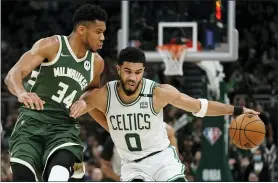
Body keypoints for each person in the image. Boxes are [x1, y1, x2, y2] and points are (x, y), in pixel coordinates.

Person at [70, 47, 259, 181]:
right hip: (132, 166)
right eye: (127, 71)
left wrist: (237, 110)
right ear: (118, 70)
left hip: (162, 160)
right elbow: (82, 105)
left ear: (143, 71)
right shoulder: (104, 95)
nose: (133, 78)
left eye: (138, 72)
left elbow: (199, 106)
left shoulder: (158, 93)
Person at [4, 4, 107, 182]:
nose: (103, 37)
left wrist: (85, 102)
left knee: (57, 176)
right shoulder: (51, 45)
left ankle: (73, 163)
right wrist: (21, 93)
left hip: (63, 127)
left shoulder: (97, 63)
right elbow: (14, 74)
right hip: (31, 123)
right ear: (82, 30)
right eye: (98, 32)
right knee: (23, 177)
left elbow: (92, 92)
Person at [100, 122, 178, 181]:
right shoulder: (115, 137)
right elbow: (104, 165)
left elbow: (170, 132)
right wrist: (118, 179)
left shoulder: (156, 130)